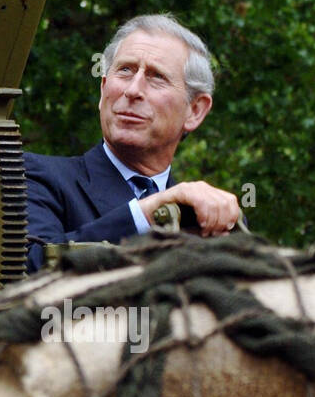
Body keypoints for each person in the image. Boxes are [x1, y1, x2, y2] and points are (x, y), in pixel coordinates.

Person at [24, 14, 241, 272]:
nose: (133, 90)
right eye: (125, 70)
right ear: (104, 89)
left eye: (156, 76)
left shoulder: (210, 214)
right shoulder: (34, 176)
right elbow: (30, 269)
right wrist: (149, 213)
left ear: (195, 111)